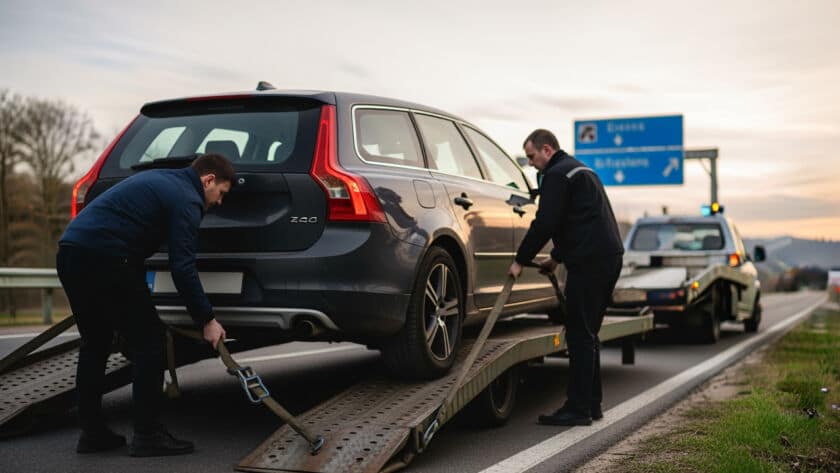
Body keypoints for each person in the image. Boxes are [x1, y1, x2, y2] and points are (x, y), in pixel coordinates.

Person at [57, 153, 233, 456]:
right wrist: (207, 319)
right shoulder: (188, 199)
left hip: (71, 252)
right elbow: (183, 266)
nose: (219, 202)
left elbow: (130, 237)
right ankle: (148, 435)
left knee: (95, 342)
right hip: (107, 259)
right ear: (208, 180)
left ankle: (92, 433)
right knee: (150, 343)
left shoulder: (164, 180)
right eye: (221, 193)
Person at [508, 129, 624, 426]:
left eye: (532, 156)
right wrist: (556, 258)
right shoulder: (581, 170)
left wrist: (520, 260)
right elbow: (580, 220)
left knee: (579, 334)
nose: (531, 164)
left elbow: (546, 222)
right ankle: (591, 404)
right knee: (588, 334)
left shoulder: (557, 175)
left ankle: (578, 408)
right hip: (608, 257)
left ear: (547, 149)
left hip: (590, 262)